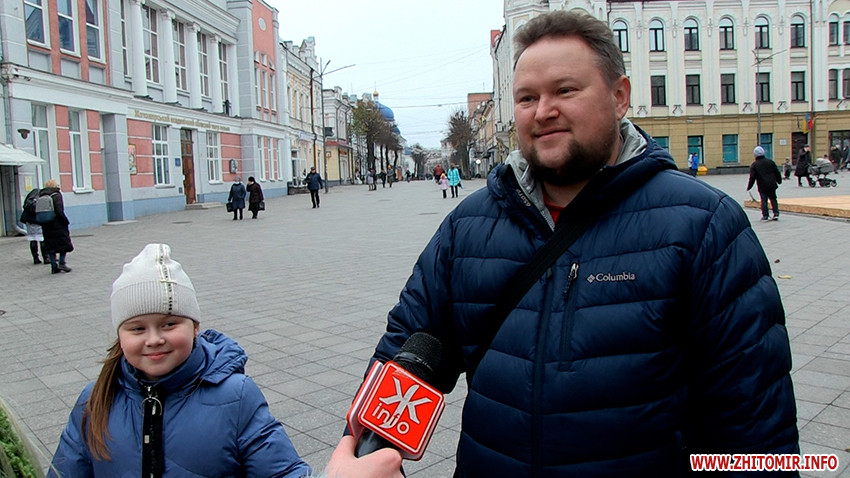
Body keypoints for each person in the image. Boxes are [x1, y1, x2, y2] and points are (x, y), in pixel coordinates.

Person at [328, 10, 798, 476]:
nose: (543, 111)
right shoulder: (466, 227)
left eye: (565, 90)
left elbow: (753, 425)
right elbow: (407, 352)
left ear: (619, 96)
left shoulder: (704, 225)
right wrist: (364, 450)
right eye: (527, 97)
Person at [47, 243, 311, 477]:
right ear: (120, 335)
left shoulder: (236, 396)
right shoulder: (95, 400)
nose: (154, 339)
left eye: (169, 324)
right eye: (137, 329)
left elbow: (281, 470)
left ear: (195, 327)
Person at [38, 179, 73, 274]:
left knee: (50, 246)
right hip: (57, 224)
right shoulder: (56, 195)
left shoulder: (41, 195)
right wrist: (65, 221)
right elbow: (59, 210)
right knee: (63, 244)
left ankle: (54, 266)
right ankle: (62, 263)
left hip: (46, 224)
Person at [747, 146, 782, 221]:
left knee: (764, 200)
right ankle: (776, 213)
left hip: (762, 185)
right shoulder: (770, 162)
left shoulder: (754, 165)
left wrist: (749, 187)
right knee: (773, 199)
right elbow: (777, 172)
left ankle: (765, 215)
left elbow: (752, 177)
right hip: (772, 184)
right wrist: (779, 181)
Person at [20, 188, 49, 265]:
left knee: (33, 239)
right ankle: (46, 257)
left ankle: (35, 258)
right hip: (38, 222)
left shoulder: (28, 202)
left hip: (29, 223)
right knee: (42, 239)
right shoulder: (38, 201)